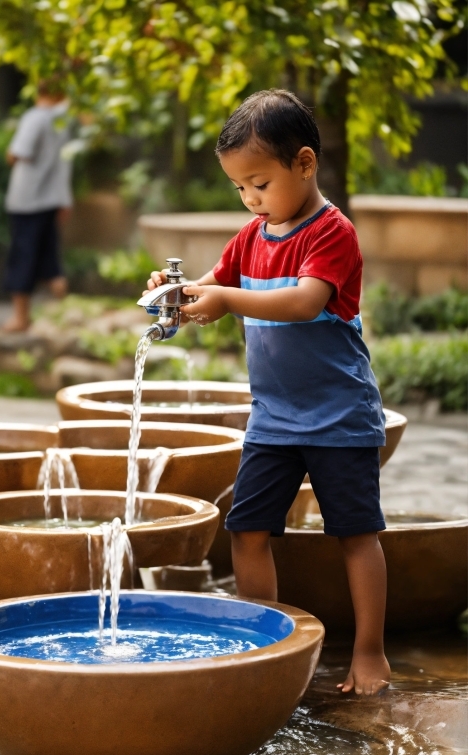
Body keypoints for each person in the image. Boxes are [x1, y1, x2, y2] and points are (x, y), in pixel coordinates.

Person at [145, 89, 390, 696]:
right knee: (247, 529)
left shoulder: (331, 233)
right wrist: (177, 296)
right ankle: (266, 648)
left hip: (339, 417)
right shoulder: (251, 235)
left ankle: (370, 653)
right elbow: (211, 287)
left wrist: (228, 300)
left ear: (304, 164)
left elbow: (306, 301)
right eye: (240, 189)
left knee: (355, 535)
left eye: (259, 183)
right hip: (274, 419)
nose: (252, 200)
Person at [3, 78, 73, 332]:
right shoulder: (60, 122)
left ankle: (21, 318)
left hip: (27, 201)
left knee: (23, 257)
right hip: (51, 200)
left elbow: (18, 153)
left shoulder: (35, 118)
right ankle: (66, 317)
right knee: (50, 260)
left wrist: (8, 154)